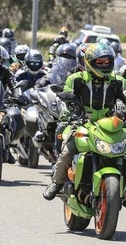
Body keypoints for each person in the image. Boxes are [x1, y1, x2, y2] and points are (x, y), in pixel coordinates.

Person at [43, 42, 126, 201]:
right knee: (69, 150)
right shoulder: (76, 79)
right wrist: (68, 114)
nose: (104, 65)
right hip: (81, 123)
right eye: (100, 62)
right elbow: (65, 100)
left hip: (110, 126)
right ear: (89, 61)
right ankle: (56, 183)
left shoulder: (119, 81)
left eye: (107, 61)